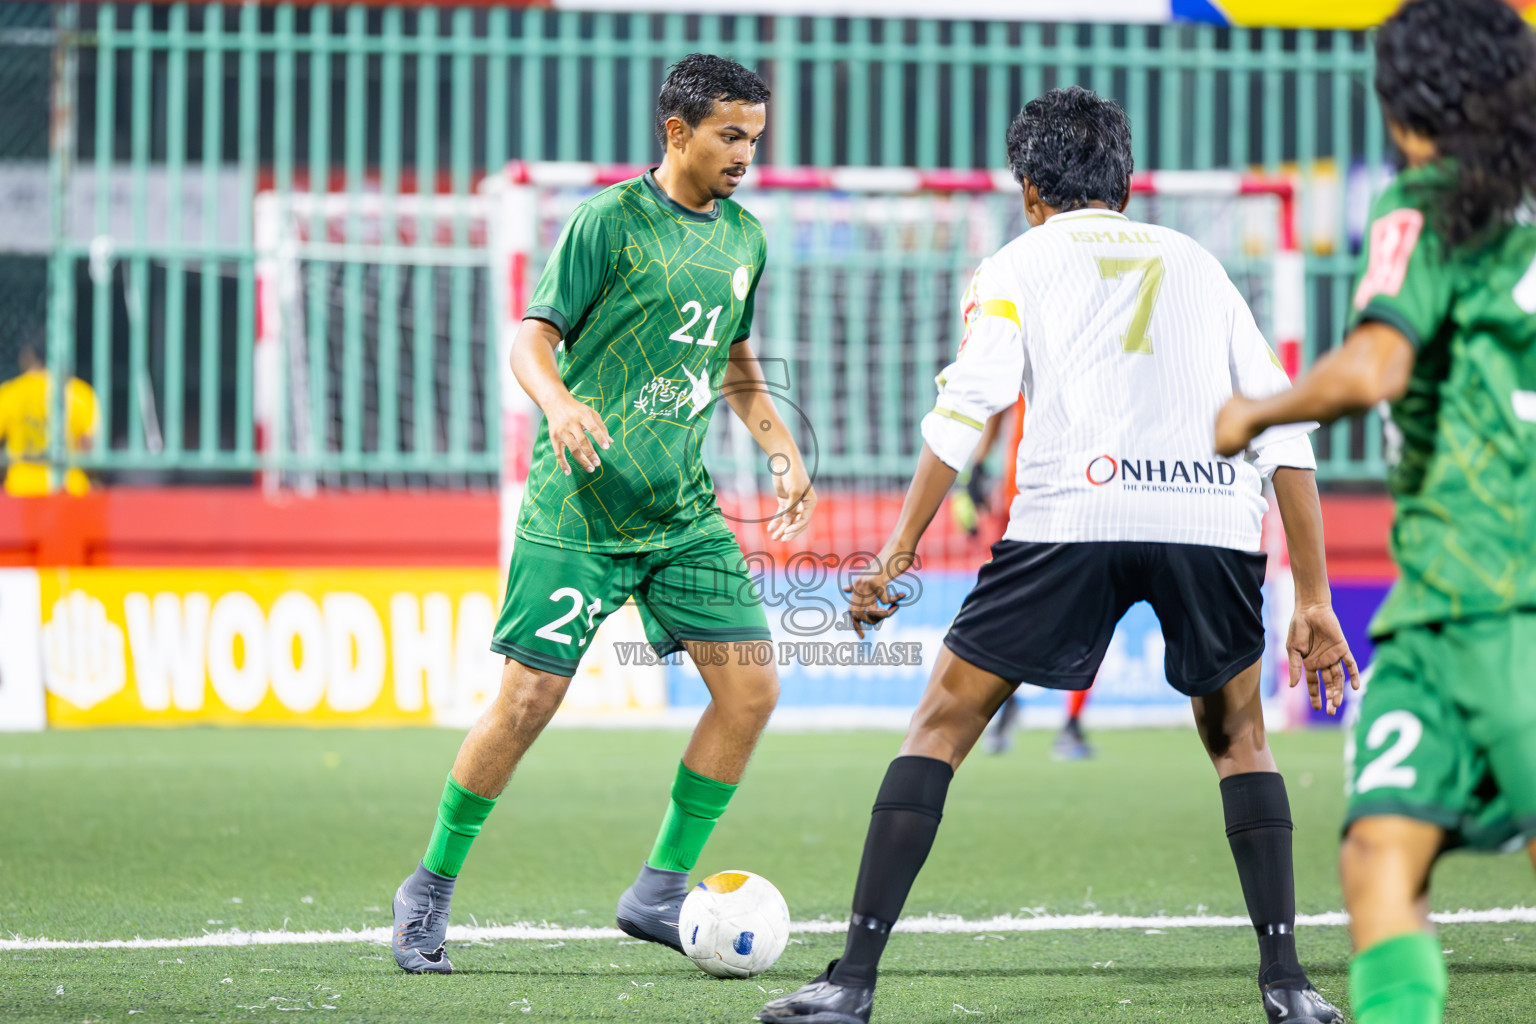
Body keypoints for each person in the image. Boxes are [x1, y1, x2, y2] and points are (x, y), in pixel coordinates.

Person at [761, 86, 1355, 1024]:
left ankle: (851, 985)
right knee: (1241, 739)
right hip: (1208, 519)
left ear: (1030, 188)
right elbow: (1288, 433)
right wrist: (1313, 597)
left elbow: (968, 409)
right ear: (1125, 179)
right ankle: (1290, 987)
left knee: (940, 727)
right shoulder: (1201, 263)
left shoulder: (1017, 261)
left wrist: (894, 551)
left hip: (1072, 511)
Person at [391, 54, 815, 974]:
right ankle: (429, 887)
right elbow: (531, 338)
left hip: (680, 514)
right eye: (729, 135)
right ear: (677, 132)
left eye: (755, 137)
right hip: (578, 507)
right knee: (529, 700)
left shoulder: (745, 238)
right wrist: (560, 403)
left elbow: (735, 362)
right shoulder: (607, 222)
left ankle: (659, 891)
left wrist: (780, 450)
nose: (746, 153)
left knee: (751, 690)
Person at [1215, 3, 1536, 1021]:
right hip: (1439, 615)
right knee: (1376, 847)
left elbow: (1377, 364)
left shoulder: (1432, 199)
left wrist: (1255, 410)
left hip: (1488, 597)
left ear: (1407, 104)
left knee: (1385, 857)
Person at [0, 343, 98, 496]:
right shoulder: (80, 393)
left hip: (21, 488)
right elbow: (90, 452)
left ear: (28, 356)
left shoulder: (10, 393)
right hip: (70, 489)